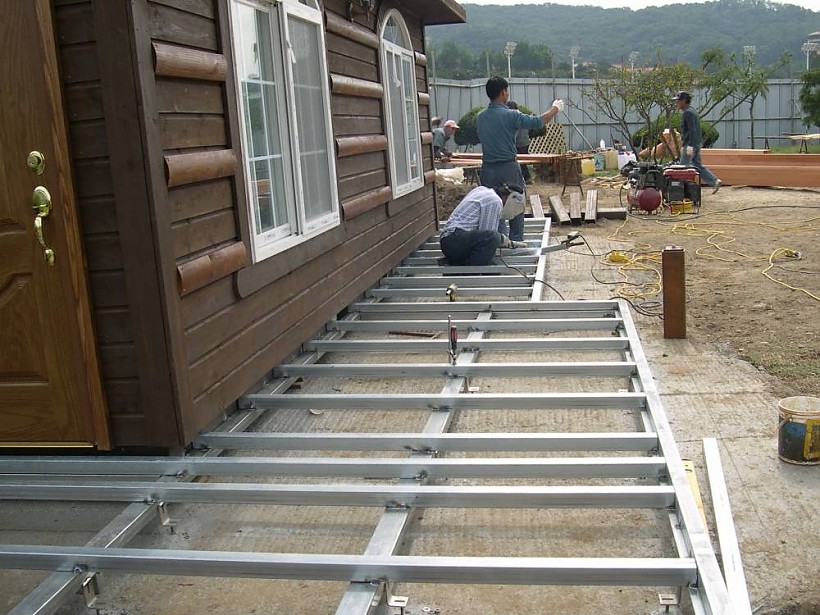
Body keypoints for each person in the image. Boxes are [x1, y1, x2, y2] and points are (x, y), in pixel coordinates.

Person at [477, 76, 564, 241]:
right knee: (516, 203)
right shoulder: (511, 115)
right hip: (508, 168)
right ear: (503, 92)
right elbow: (538, 121)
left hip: (487, 169)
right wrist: (555, 108)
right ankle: (516, 241)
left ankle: (500, 240)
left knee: (493, 207)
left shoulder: (481, 117)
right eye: (506, 91)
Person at [439, 183, 527, 266]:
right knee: (493, 237)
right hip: (454, 241)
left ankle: (458, 263)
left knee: (492, 261)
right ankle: (468, 270)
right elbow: (489, 236)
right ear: (511, 198)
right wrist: (501, 239)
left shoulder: (482, 190)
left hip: (450, 240)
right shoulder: (494, 200)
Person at [673, 91, 721, 193]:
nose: (677, 103)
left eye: (678, 101)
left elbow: (692, 130)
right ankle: (714, 181)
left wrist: (690, 146)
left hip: (691, 144)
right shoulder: (692, 111)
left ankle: (680, 191)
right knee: (697, 165)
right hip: (696, 143)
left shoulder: (687, 113)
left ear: (684, 101)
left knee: (683, 168)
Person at [507, 101, 532, 183]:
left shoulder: (513, 118)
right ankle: (526, 178)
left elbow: (515, 133)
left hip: (519, 143)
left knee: (518, 162)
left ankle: (524, 178)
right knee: (522, 162)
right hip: (525, 141)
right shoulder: (521, 116)